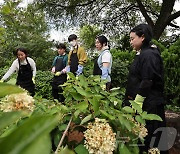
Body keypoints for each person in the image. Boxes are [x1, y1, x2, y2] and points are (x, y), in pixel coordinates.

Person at [124, 24, 167, 153]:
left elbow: (148, 80)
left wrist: (138, 101)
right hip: (145, 105)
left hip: (150, 106)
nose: (130, 42)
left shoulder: (149, 54)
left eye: (132, 39)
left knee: (152, 141)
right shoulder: (143, 53)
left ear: (142, 37)